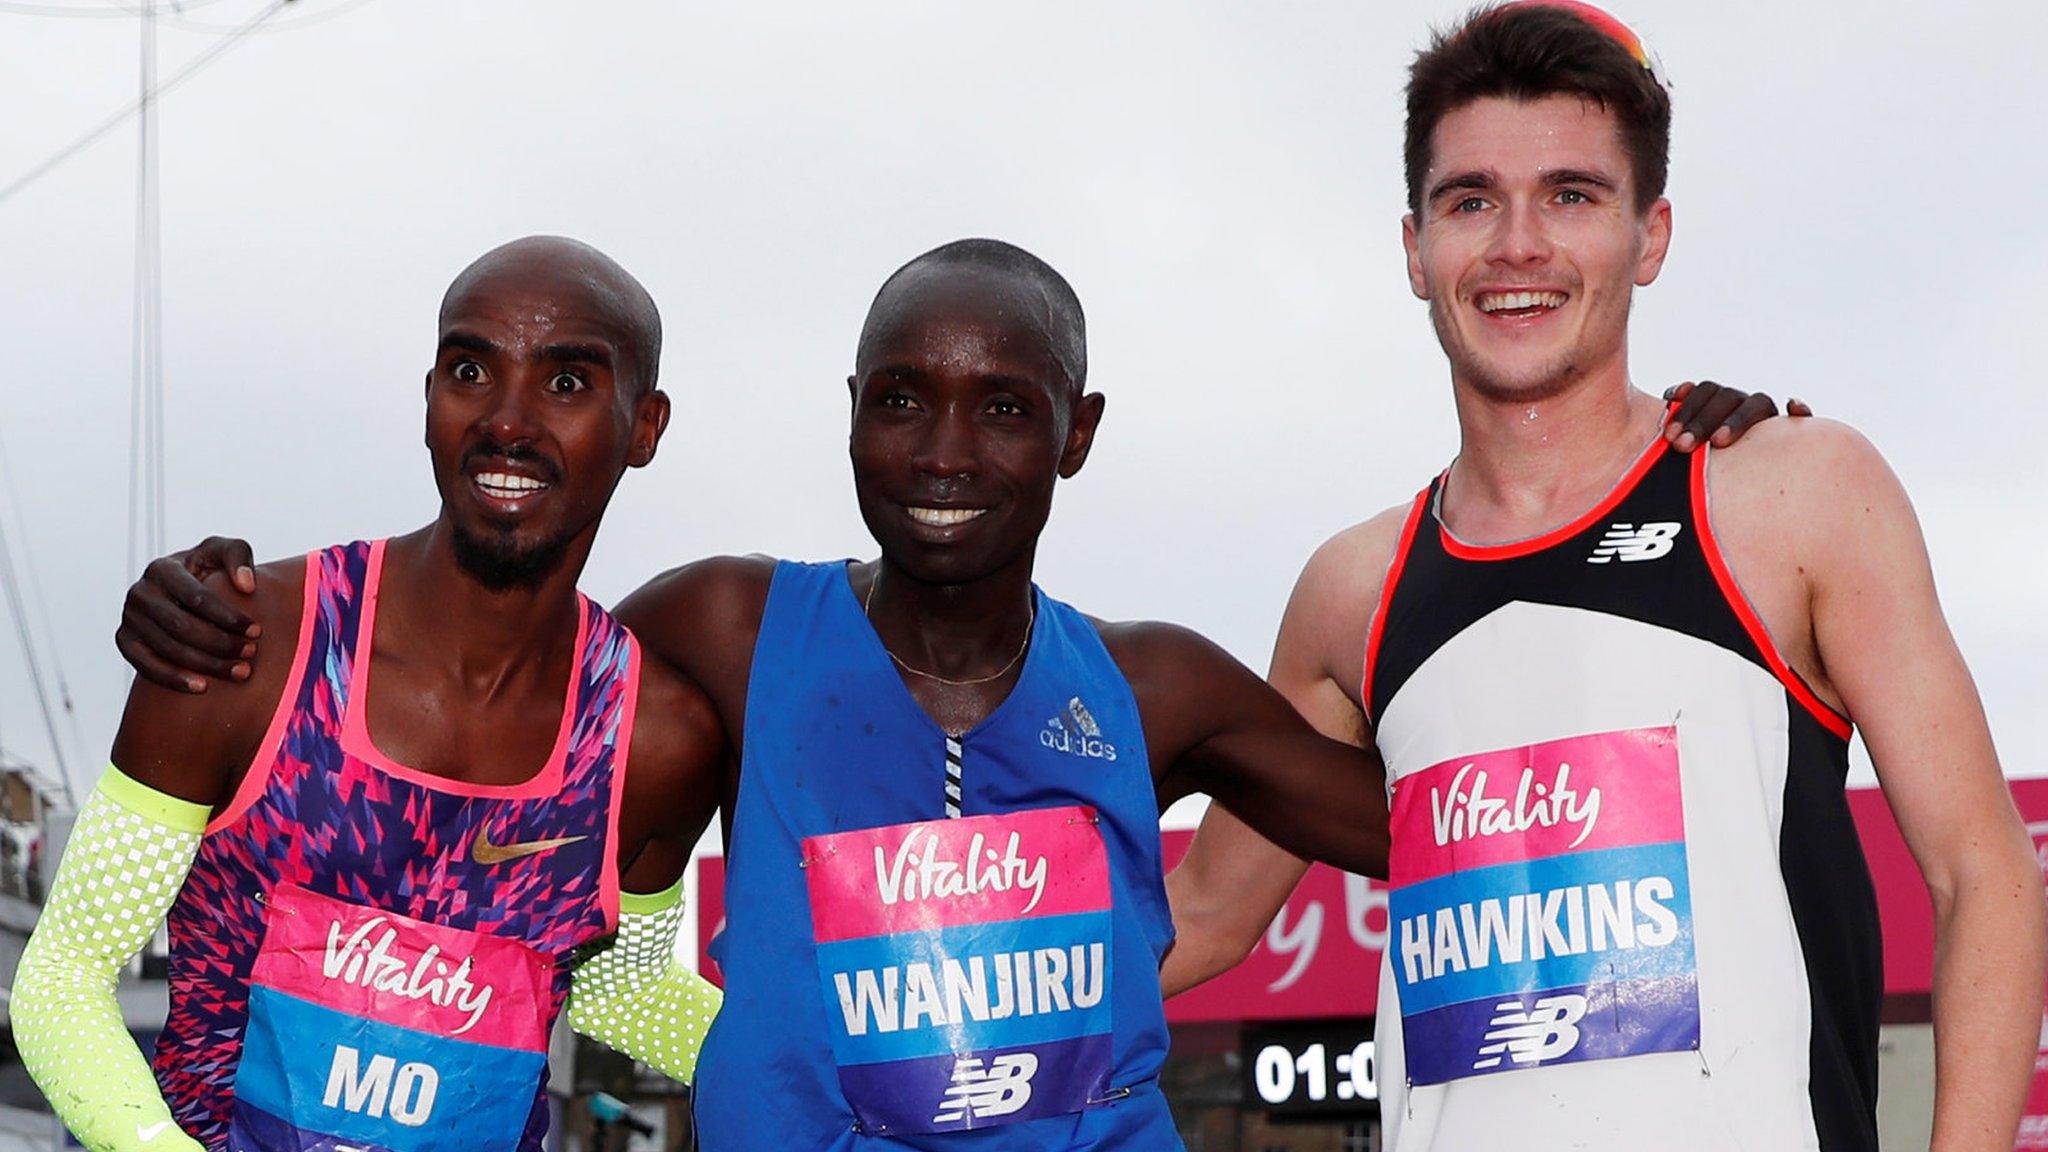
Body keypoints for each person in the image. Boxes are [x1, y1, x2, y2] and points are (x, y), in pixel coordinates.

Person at [111, 239, 1780, 1151]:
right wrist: (223, 611)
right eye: (902, 400)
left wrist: (1631, 499)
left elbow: (1450, 839)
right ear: (849, 411)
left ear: (1079, 430)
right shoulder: (725, 626)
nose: (943, 455)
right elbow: (489, 711)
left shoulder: (1154, 685)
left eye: (1001, 408)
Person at [1164, 4, 2047, 1150]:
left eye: (1570, 195)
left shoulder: (1788, 493)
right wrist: (873, 968)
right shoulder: (1353, 588)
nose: (1515, 244)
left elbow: (1982, 877)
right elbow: (1198, 916)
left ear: (1649, 235)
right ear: (1413, 248)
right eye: (1469, 199)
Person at [13, 237, 727, 1152]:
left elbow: (616, 988)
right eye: (471, 369)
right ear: (430, 396)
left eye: (566, 383)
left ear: (644, 428)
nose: (507, 422)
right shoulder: (252, 646)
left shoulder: (656, 740)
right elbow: (66, 976)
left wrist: (834, 1086)